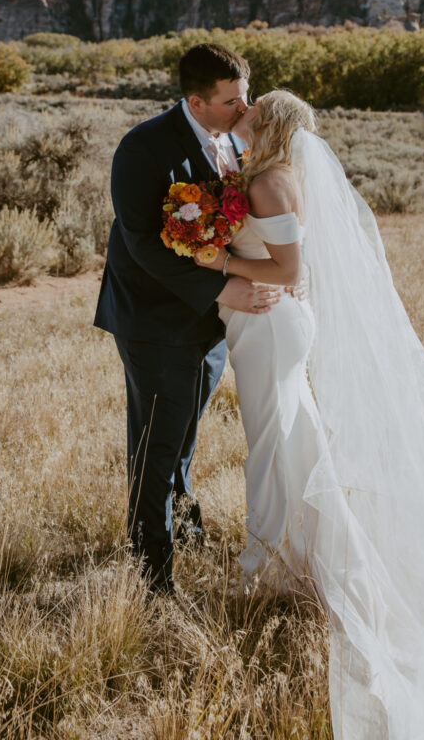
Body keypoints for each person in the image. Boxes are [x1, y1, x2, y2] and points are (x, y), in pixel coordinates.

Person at [195, 89, 424, 740]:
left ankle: (281, 556)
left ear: (270, 123)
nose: (241, 113)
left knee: (275, 439)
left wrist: (212, 258)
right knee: (283, 437)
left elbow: (291, 268)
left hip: (271, 326)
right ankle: (287, 550)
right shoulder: (265, 175)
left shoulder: (273, 181)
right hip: (262, 325)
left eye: (253, 109)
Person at [93, 42, 284, 595]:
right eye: (231, 101)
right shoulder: (143, 148)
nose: (244, 109)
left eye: (245, 95)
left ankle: (184, 527)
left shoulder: (232, 141)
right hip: (155, 323)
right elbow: (144, 245)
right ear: (196, 102)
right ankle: (154, 576)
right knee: (156, 442)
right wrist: (227, 287)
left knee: (182, 436)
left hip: (209, 322)